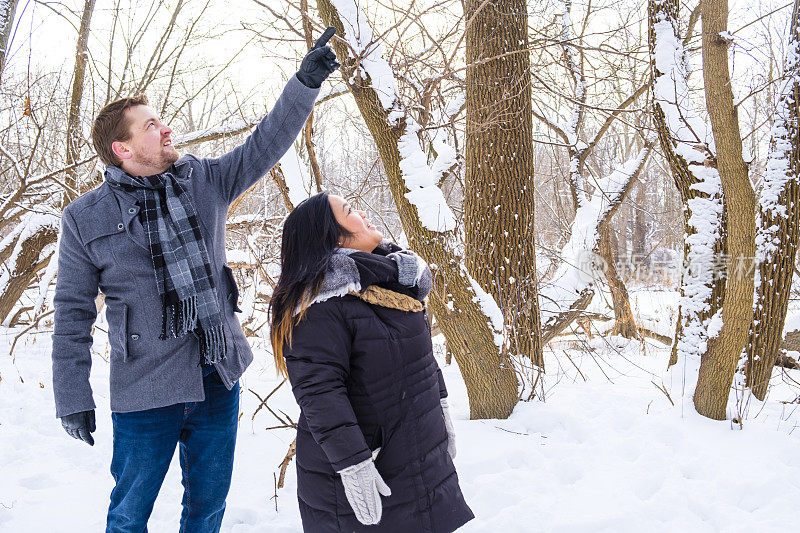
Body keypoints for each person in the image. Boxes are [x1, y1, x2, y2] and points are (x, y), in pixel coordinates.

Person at [51, 29, 340, 532]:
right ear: (121, 147)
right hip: (145, 388)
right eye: (151, 126)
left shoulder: (201, 180)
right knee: (128, 514)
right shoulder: (85, 218)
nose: (165, 130)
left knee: (206, 510)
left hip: (216, 376)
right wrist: (72, 396)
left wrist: (303, 83)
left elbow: (262, 146)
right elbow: (72, 314)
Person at [269, 192, 475, 532]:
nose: (363, 213)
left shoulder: (393, 280)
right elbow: (319, 393)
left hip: (417, 455)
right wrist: (354, 464)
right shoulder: (318, 305)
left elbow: (419, 357)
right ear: (332, 237)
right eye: (350, 211)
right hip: (367, 468)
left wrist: (439, 408)